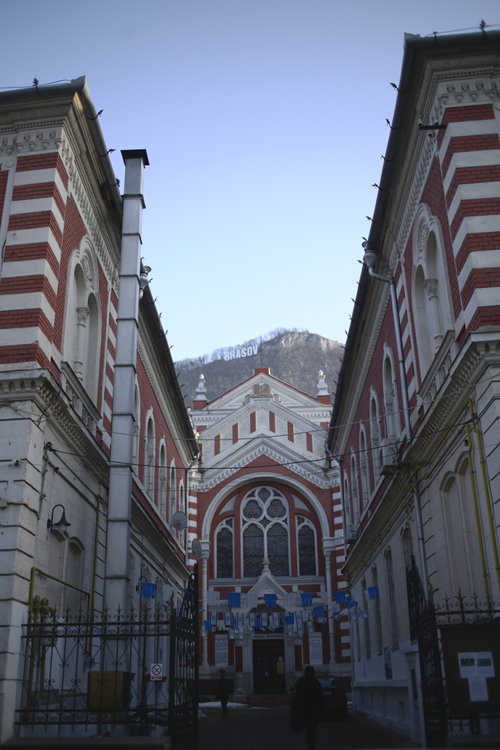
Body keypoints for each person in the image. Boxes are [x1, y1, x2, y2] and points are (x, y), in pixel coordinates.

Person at [291, 665, 326, 750]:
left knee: (308, 730)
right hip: (314, 712)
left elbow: (297, 698)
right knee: (312, 730)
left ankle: (309, 743)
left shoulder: (302, 683)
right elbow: (321, 699)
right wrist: (322, 712)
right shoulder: (316, 683)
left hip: (305, 712)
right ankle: (311, 745)